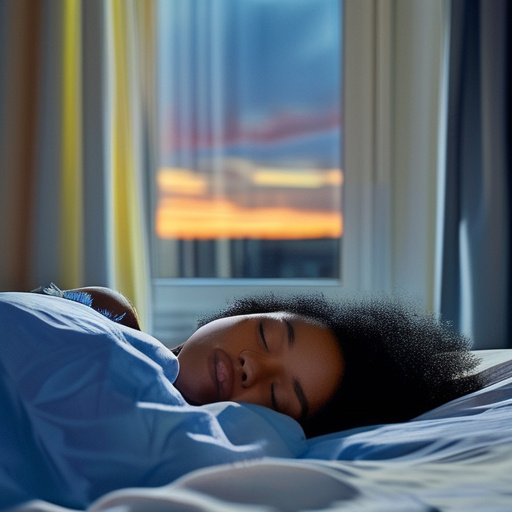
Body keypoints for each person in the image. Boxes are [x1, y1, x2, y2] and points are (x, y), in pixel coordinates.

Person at [33, 284, 484, 438]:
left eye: (277, 395)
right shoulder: (106, 311)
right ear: (238, 312)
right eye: (266, 333)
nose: (253, 368)